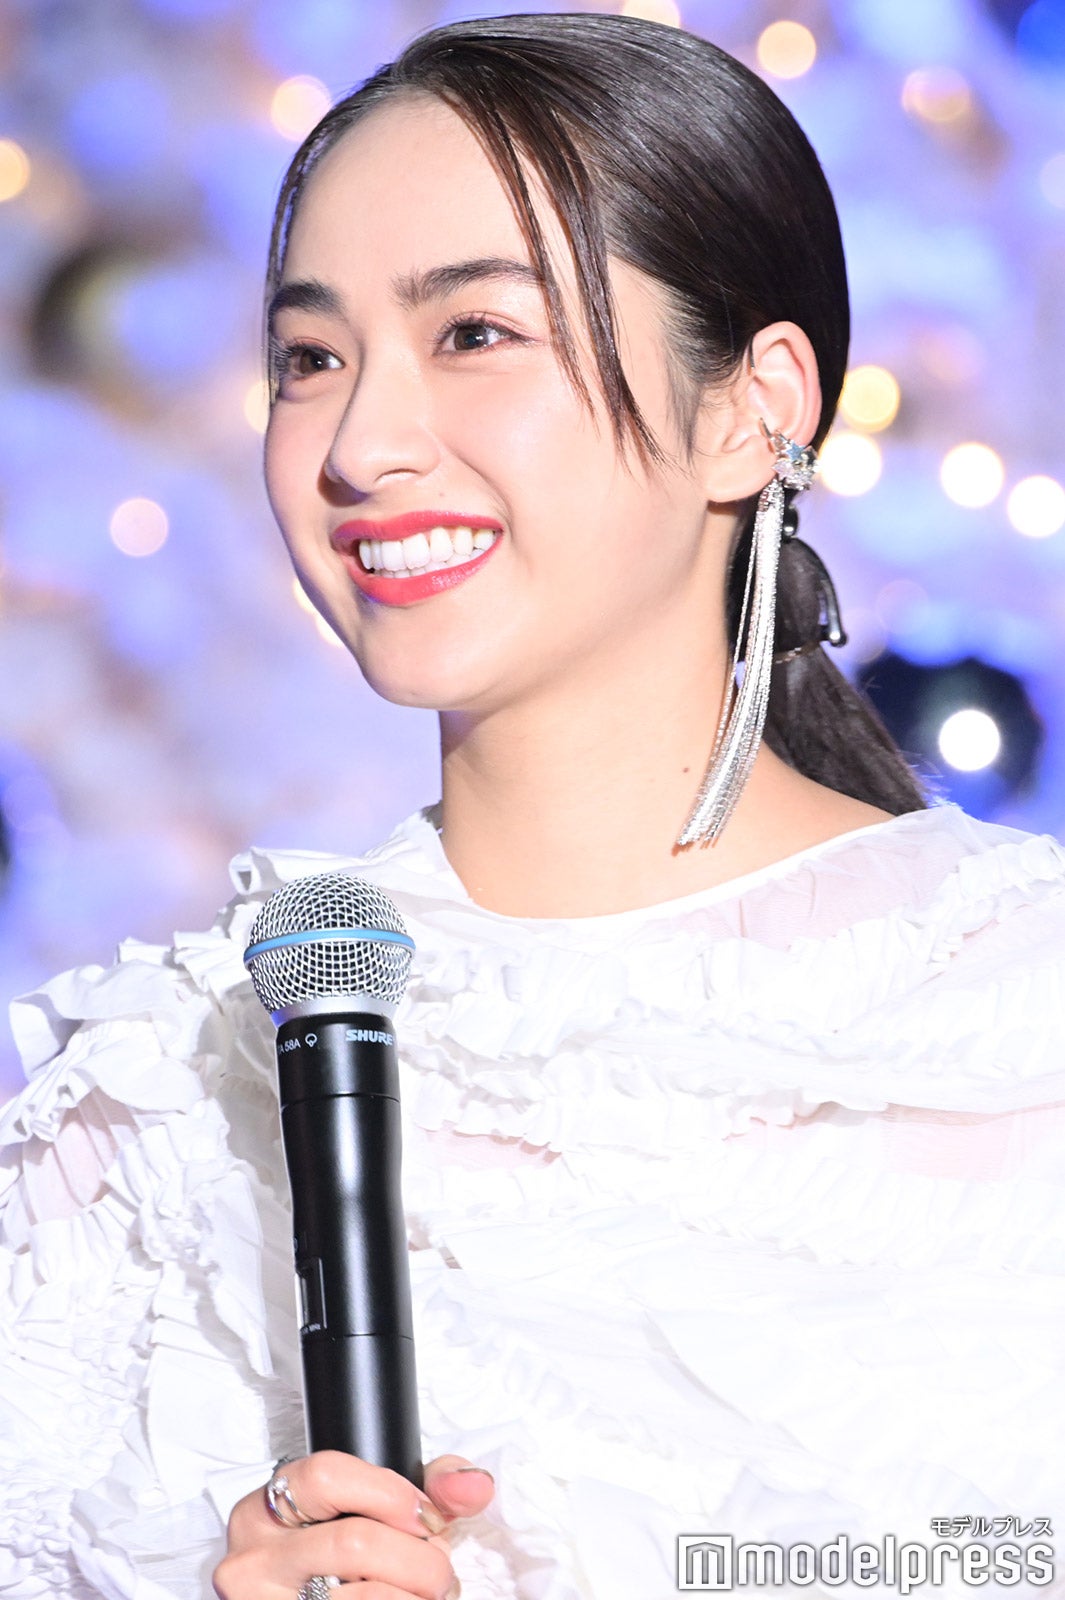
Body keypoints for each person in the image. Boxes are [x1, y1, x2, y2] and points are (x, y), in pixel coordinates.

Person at [2, 12, 1064, 1599]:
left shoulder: (1019, 1015)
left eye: (475, 333)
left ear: (750, 407)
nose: (361, 446)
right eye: (310, 359)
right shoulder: (153, 1106)